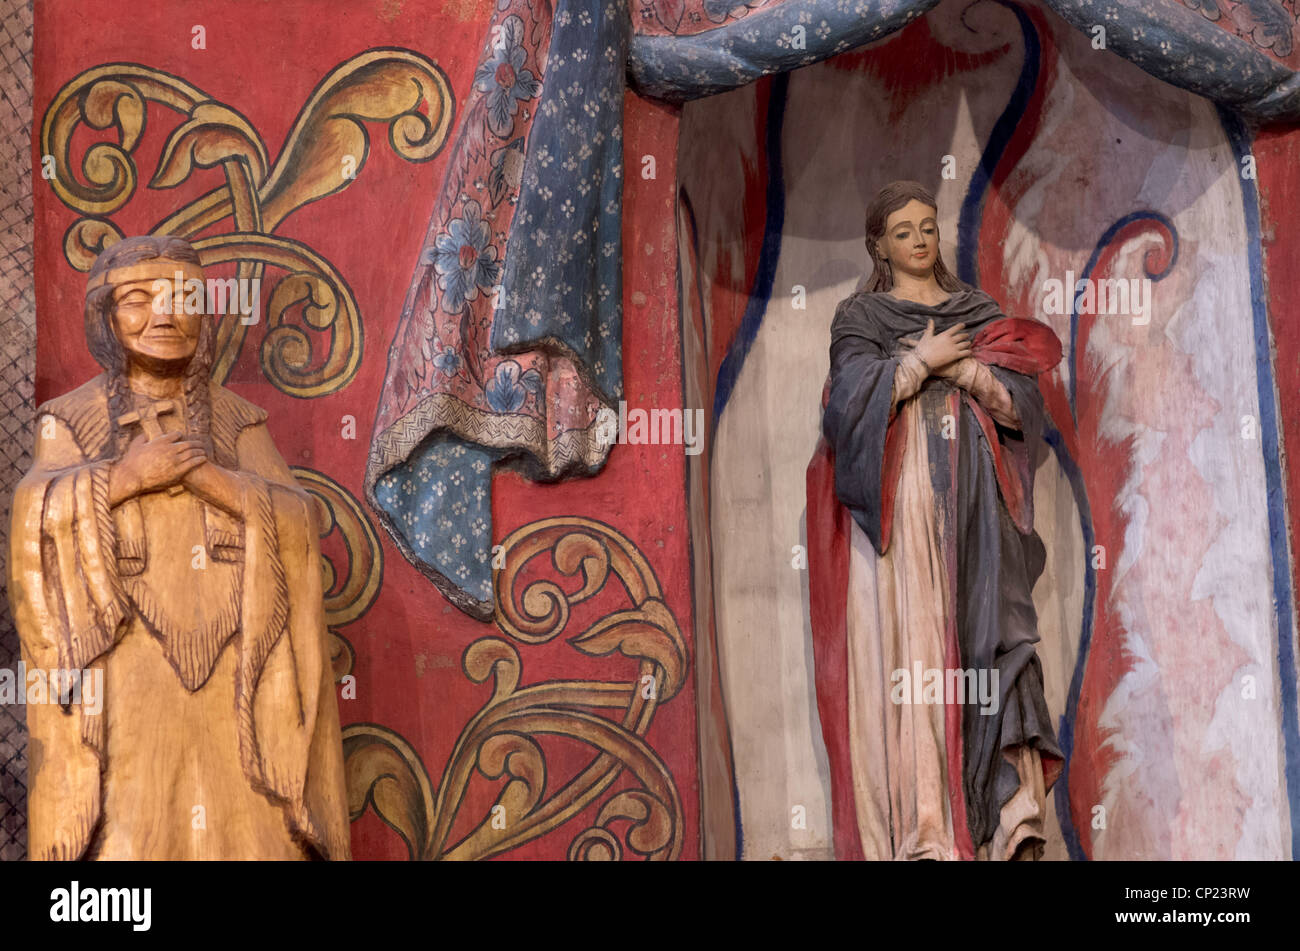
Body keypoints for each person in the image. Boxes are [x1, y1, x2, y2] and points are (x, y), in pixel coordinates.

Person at [8, 235, 350, 859]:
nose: (165, 315)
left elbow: (302, 522)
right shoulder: (71, 419)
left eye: (184, 297)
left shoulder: (236, 421)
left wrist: (224, 486)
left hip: (239, 664)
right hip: (125, 661)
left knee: (246, 827)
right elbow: (35, 516)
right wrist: (123, 479)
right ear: (105, 318)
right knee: (133, 832)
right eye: (138, 299)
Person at [807, 180, 1064, 860]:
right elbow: (844, 411)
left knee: (993, 637)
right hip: (906, 499)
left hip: (979, 504)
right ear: (878, 245)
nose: (921, 240)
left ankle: (1010, 818)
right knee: (916, 650)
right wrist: (920, 362)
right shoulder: (860, 319)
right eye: (904, 231)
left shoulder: (977, 310)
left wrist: (974, 374)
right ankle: (930, 827)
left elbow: (1023, 409)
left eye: (928, 226)